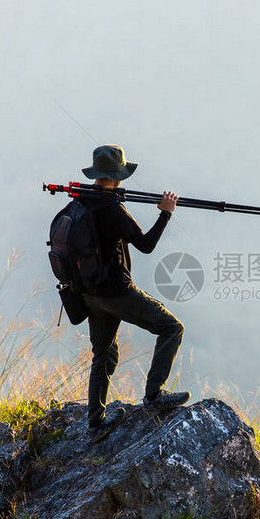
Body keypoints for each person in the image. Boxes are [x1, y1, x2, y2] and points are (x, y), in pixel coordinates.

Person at [78, 144, 189, 432]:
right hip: (116, 292)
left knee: (103, 355)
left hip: (90, 293)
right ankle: (154, 395)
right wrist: (166, 213)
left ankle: (95, 424)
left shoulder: (81, 198)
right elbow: (146, 245)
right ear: (118, 175)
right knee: (171, 328)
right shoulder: (113, 209)